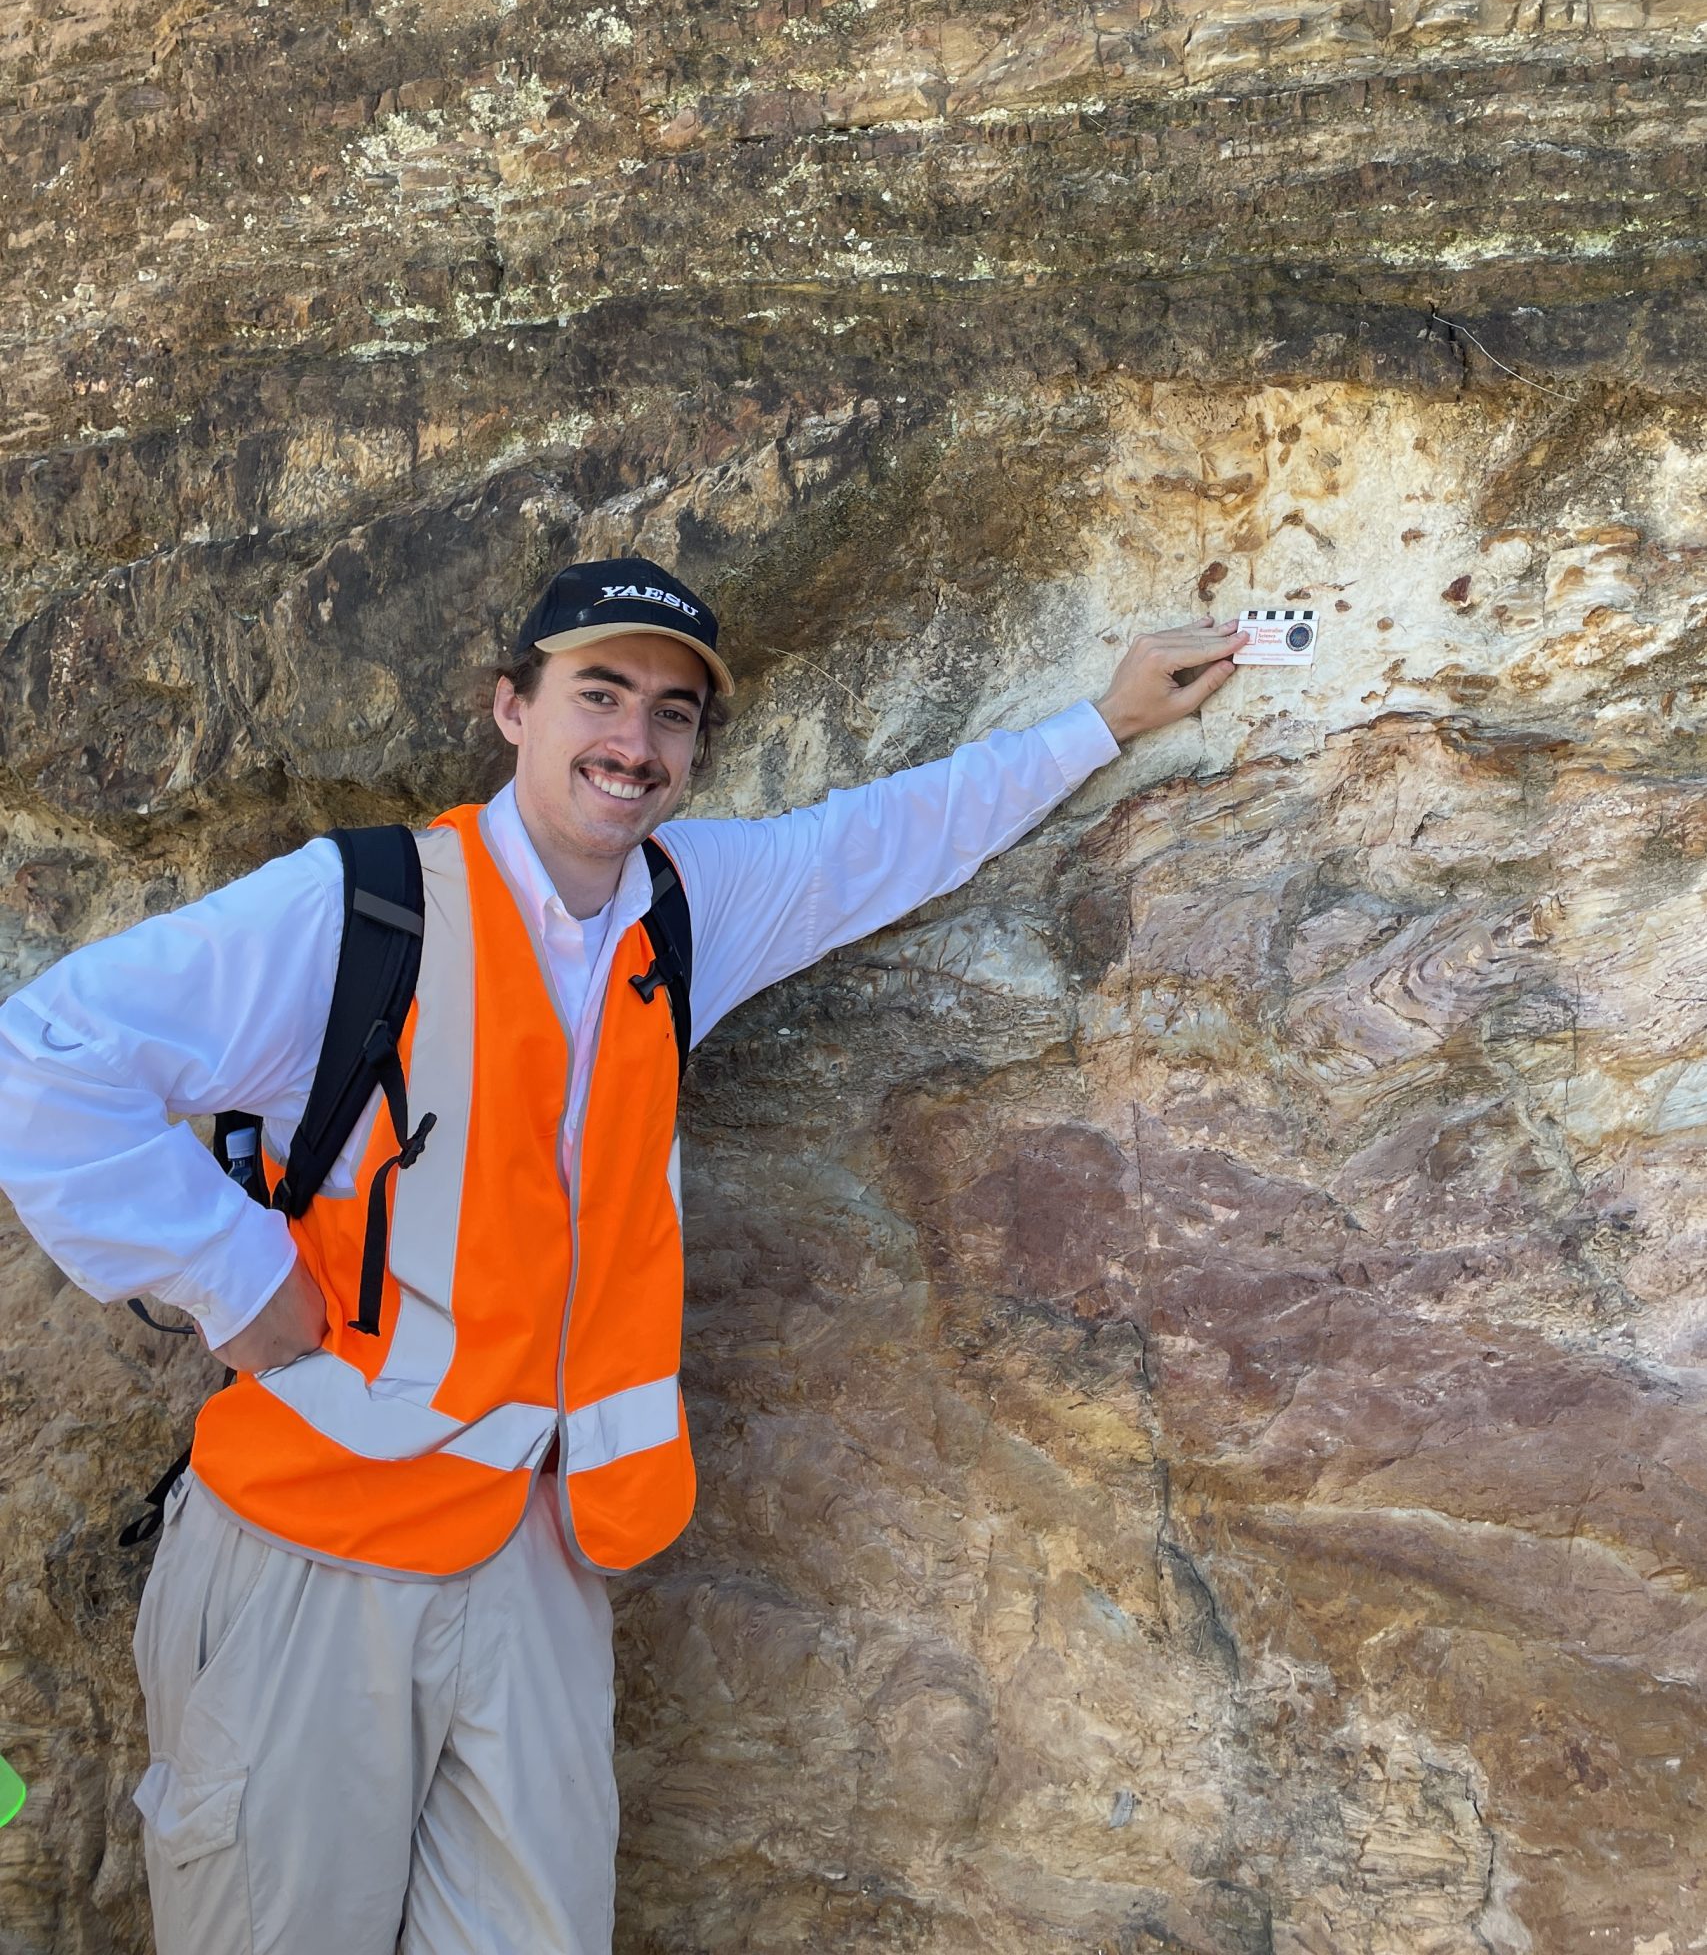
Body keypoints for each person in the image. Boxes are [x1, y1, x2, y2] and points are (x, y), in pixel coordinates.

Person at [0, 555, 1247, 1955]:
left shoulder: (684, 906)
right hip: (312, 1545)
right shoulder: (359, 909)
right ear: (511, 710)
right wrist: (235, 1281)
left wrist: (1106, 722)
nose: (635, 744)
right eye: (600, 695)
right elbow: (44, 1058)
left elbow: (878, 840)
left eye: (672, 715)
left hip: (538, 1552)